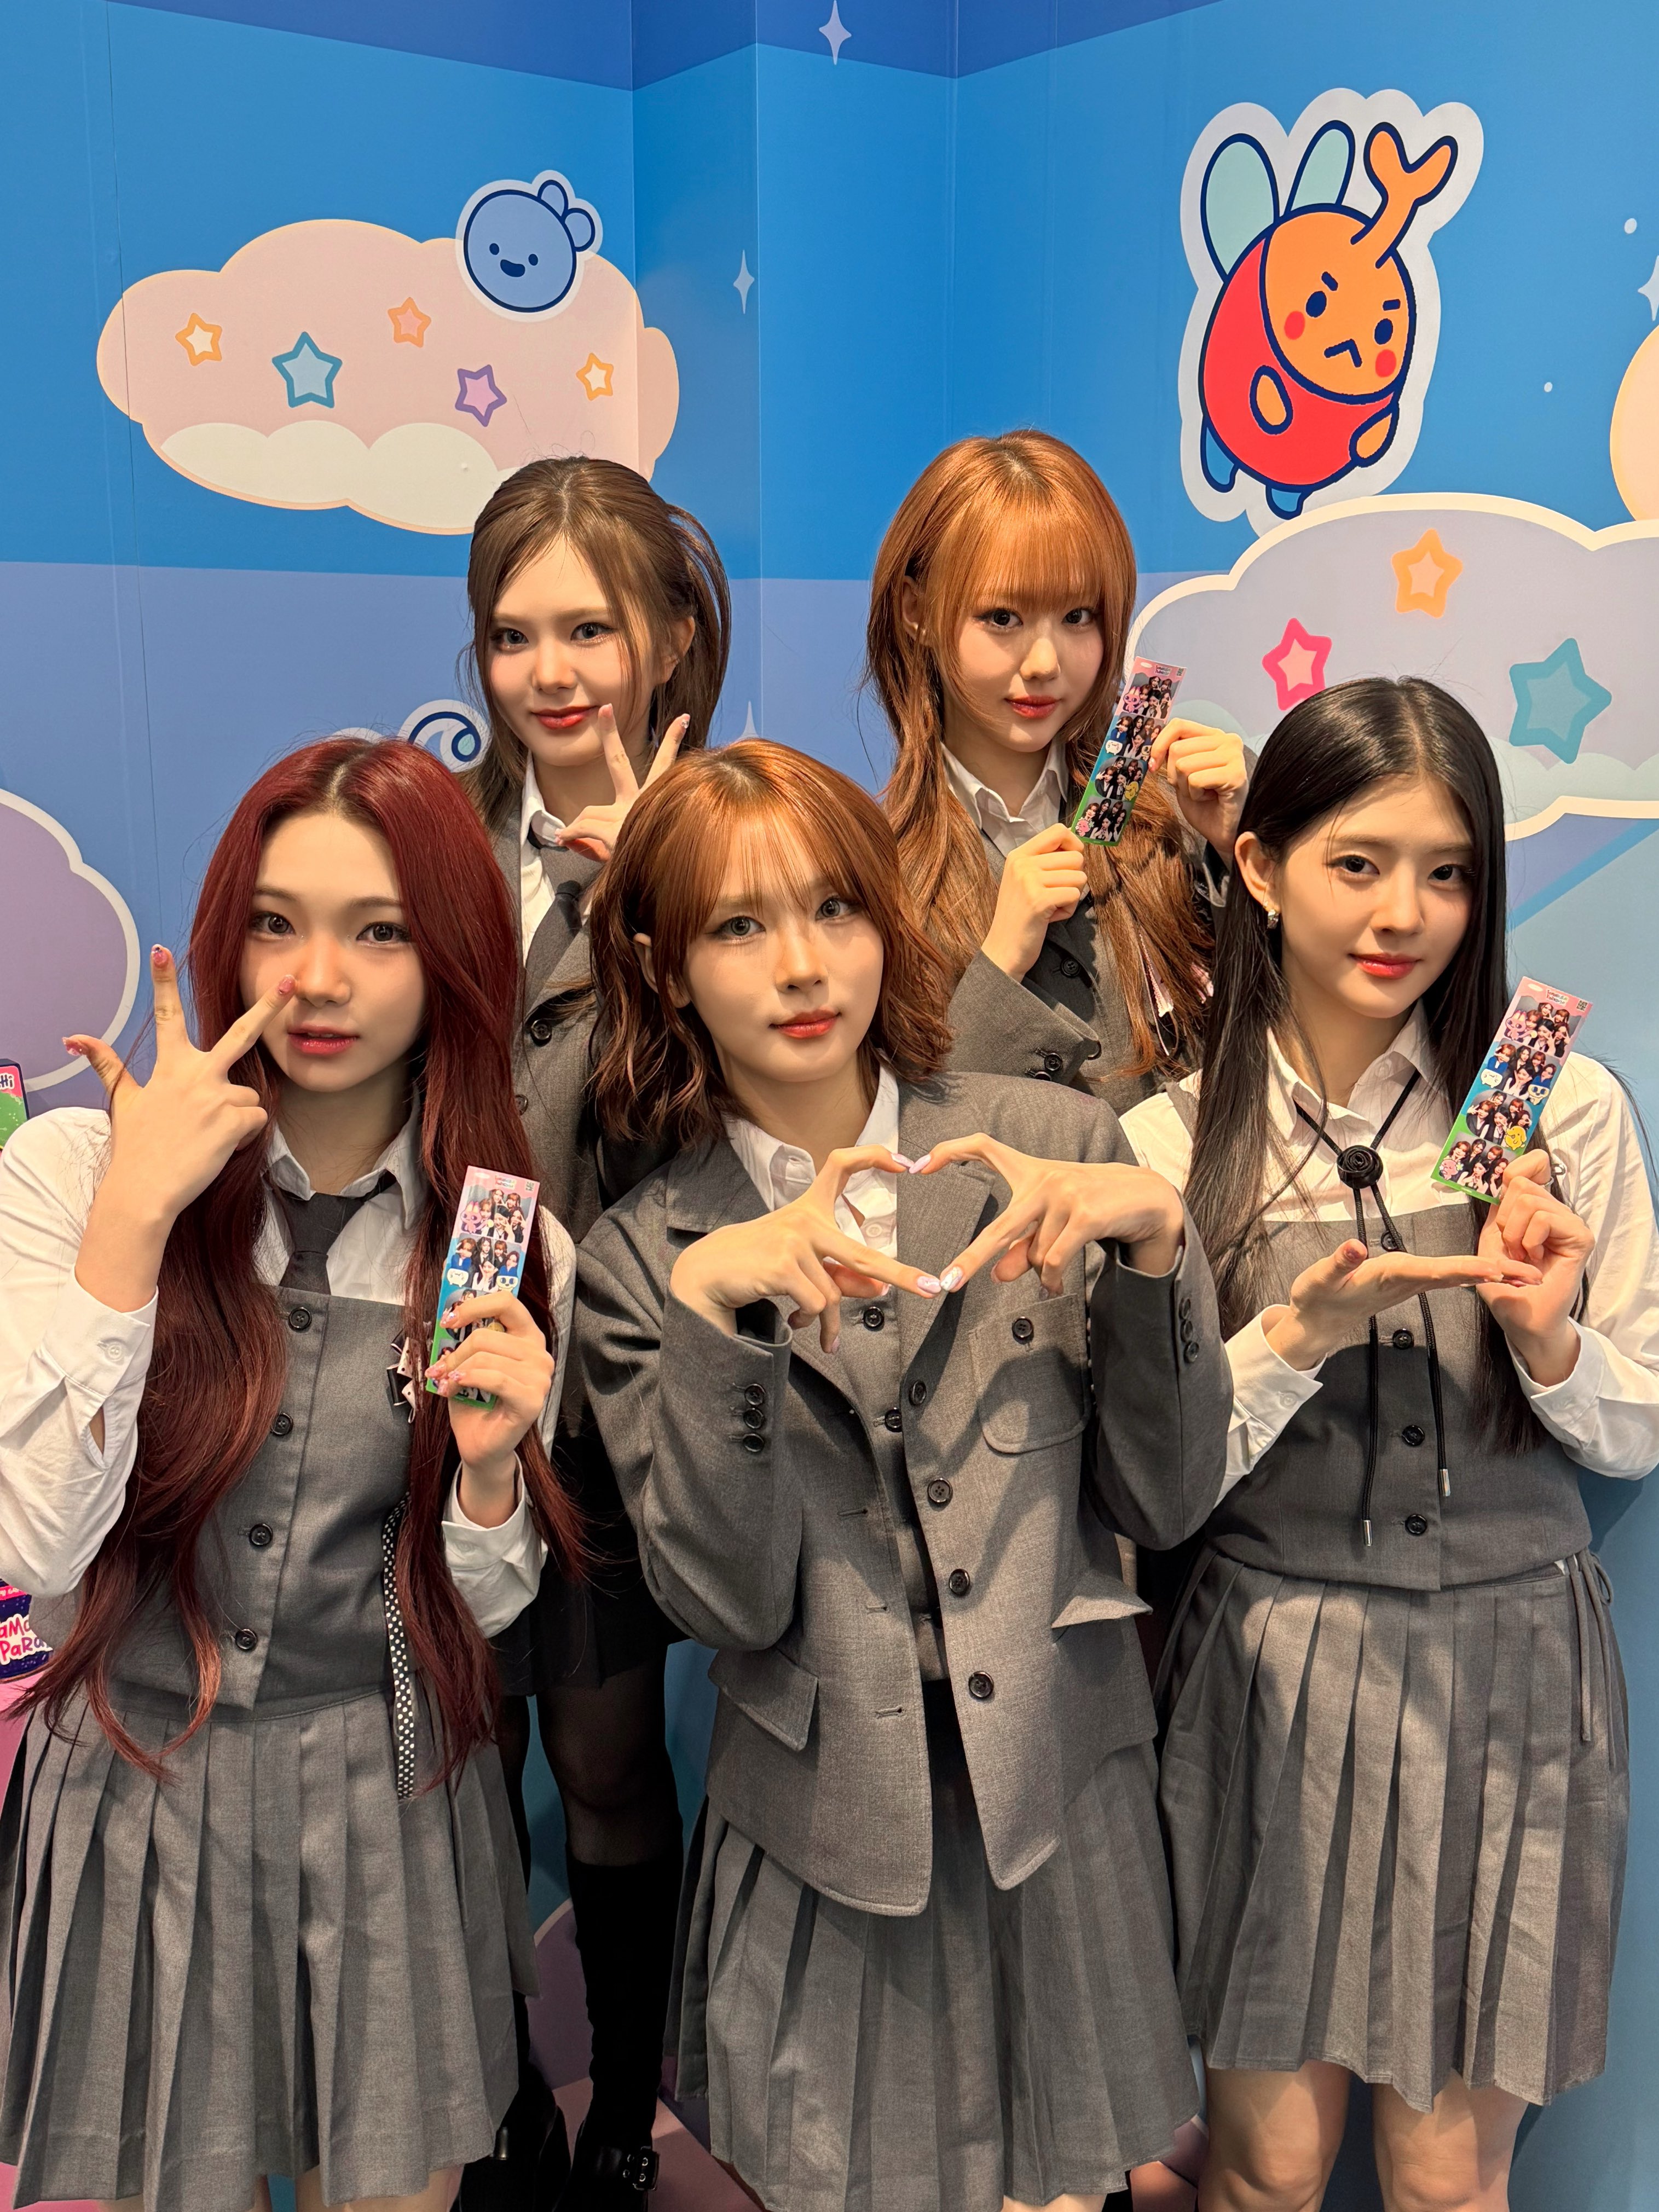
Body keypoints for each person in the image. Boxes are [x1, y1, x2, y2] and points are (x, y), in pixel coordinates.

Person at [575, 739, 1232, 2212]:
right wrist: (717, 1317)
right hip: (828, 1840)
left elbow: (1166, 1498)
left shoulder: (1050, 1143)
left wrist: (1155, 1248)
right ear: (665, 968)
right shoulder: (641, 1260)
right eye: (738, 926)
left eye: (836, 907)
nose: (802, 964)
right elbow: (728, 1603)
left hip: (1057, 1804)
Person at [0, 738, 580, 2212]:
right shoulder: (72, 1174)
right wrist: (132, 1230)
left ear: (450, 958)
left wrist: (491, 1481)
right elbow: (41, 1545)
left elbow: (478, 1616)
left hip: (385, 1800)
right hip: (139, 1786)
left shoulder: (497, 1239)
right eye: (278, 922)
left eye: (378, 931)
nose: (319, 979)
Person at [1122, 676, 1659, 2212]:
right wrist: (1290, 1336)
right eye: (1356, 862)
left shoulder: (1561, 1110)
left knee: (1442, 2175)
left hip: (1510, 1671)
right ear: (1258, 865)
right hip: (1270, 1668)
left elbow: (1633, 1423)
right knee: (1265, 2166)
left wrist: (1548, 1337)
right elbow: (1148, 1479)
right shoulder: (1168, 1136)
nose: (1401, 913)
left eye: (1445, 871)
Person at [458, 455, 732, 2208]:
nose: (548, 672)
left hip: (616, 1404)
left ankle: (625, 2111)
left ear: (667, 639)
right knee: (455, 1766)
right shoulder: (430, 838)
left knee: (607, 1761)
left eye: (587, 628)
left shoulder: (733, 843)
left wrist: (655, 917)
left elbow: (755, 1135)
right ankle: (497, 2108)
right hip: (443, 1389)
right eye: (511, 634)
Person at [866, 429, 1250, 1114]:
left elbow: (1296, 1036)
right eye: (1002, 618)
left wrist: (1247, 853)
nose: (1044, 662)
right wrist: (1000, 963)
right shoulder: (872, 865)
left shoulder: (1176, 811)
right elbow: (894, 1139)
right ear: (916, 612)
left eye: (1077, 617)